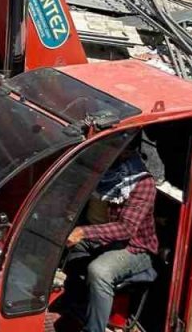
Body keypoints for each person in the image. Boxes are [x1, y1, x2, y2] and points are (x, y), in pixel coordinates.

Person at [65, 142, 158, 332]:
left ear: (126, 153)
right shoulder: (102, 173)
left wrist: (83, 232)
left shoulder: (142, 183)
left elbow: (126, 229)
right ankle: (76, 305)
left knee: (99, 271)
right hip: (103, 238)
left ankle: (93, 329)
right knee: (68, 251)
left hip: (133, 248)